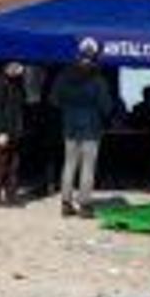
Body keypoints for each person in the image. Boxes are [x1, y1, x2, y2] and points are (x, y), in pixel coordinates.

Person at [49, 42, 113, 218]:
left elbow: (53, 100)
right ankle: (84, 205)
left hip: (69, 125)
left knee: (69, 164)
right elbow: (106, 106)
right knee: (88, 167)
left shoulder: (63, 76)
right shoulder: (98, 79)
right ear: (94, 57)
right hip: (91, 127)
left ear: (78, 56)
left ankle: (66, 203)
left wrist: (69, 109)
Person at [0, 62, 26, 206]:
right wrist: (0, 132)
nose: (21, 69)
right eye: (17, 66)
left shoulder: (15, 83)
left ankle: (11, 195)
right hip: (0, 131)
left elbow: (17, 107)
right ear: (8, 67)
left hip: (13, 130)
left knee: (13, 164)